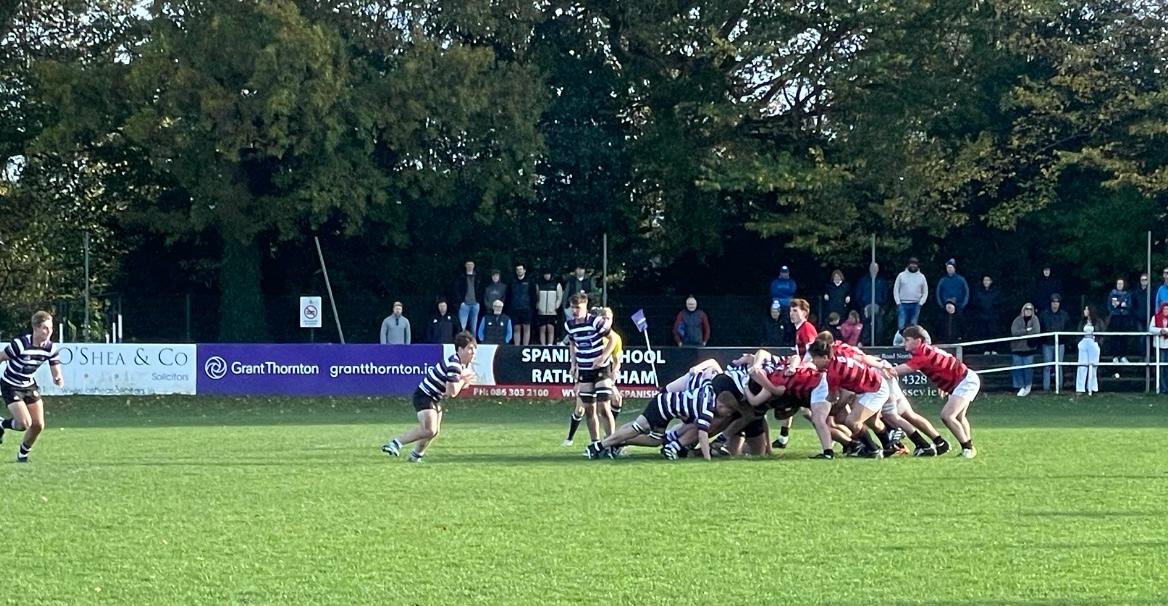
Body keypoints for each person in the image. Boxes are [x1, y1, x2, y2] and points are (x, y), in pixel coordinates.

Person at [885, 325, 981, 458]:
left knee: (947, 416)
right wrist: (944, 385)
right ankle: (968, 447)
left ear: (918, 341)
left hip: (965, 381)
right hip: (962, 380)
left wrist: (880, 370)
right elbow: (944, 365)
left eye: (907, 340)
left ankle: (968, 448)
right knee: (959, 417)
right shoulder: (926, 350)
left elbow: (898, 370)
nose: (903, 343)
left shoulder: (922, 355)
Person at [382, 331, 476, 463]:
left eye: (474, 349)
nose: (473, 352)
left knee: (434, 431)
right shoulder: (454, 364)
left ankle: (415, 456)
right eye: (470, 349)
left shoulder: (460, 364)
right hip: (425, 395)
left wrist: (463, 382)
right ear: (460, 349)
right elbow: (452, 392)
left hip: (435, 397)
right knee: (428, 430)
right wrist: (463, 381)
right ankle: (395, 443)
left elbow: (452, 388)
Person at [0, 311, 64, 463]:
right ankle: (1, 423)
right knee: (23, 424)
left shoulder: (50, 348)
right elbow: (1, 357)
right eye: (45, 328)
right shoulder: (21, 344)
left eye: (51, 328)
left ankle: (22, 454)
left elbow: (55, 365)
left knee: (38, 425)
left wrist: (58, 377)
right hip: (11, 385)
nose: (49, 332)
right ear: (35, 328)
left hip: (29, 385)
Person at [564, 293, 614, 447]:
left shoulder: (596, 322)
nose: (574, 311)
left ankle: (613, 443)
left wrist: (603, 357)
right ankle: (596, 444)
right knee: (589, 409)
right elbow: (572, 344)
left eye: (577, 307)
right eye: (572, 307)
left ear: (585, 307)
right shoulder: (570, 325)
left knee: (604, 407)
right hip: (585, 370)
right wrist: (574, 364)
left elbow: (613, 339)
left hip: (601, 368)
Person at [1038, 294, 1070, 391]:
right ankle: (1046, 388)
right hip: (1047, 343)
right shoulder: (1044, 314)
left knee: (1059, 365)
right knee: (1047, 366)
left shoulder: (1064, 315)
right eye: (1053, 302)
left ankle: (1059, 387)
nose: (1055, 304)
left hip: (1060, 343)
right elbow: (1041, 328)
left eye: (1057, 302)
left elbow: (1067, 328)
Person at [1010, 303, 1040, 397]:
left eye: (1030, 309)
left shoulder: (1035, 320)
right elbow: (1014, 332)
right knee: (1017, 368)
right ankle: (1020, 386)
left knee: (1028, 369)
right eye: (1026, 309)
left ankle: (1027, 386)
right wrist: (1026, 331)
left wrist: (1024, 333)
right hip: (1017, 349)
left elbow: (1036, 331)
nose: (1028, 311)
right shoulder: (1017, 320)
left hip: (1029, 349)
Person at [854, 262, 887, 345]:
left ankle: (878, 345)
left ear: (878, 269)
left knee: (879, 327)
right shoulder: (863, 280)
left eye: (876, 268)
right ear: (869, 269)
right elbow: (858, 293)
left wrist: (882, 305)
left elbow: (885, 294)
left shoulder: (881, 281)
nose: (874, 270)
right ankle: (865, 344)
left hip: (878, 306)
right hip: (865, 306)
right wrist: (862, 305)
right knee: (865, 327)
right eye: (872, 268)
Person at [893, 257, 928, 331]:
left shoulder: (922, 277)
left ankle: (911, 342)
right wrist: (898, 303)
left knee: (913, 327)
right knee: (901, 326)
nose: (913, 265)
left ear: (917, 265)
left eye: (915, 264)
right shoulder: (901, 275)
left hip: (916, 304)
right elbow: (895, 290)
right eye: (911, 264)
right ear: (908, 264)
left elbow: (925, 292)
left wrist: (921, 303)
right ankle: (902, 342)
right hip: (902, 304)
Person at [968, 275, 1000, 353]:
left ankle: (993, 349)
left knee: (993, 333)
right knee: (983, 334)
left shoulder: (996, 291)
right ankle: (985, 349)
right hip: (982, 316)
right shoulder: (978, 291)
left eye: (988, 280)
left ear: (991, 281)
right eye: (984, 280)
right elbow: (975, 303)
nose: (986, 282)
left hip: (992, 316)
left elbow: (998, 303)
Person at [1106, 278, 1133, 363]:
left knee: (1124, 337)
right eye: (1118, 283)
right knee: (1115, 337)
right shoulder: (1112, 293)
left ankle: (1123, 356)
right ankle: (1115, 356)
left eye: (1121, 284)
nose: (1120, 285)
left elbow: (1129, 305)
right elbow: (1110, 306)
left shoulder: (1127, 294)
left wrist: (1120, 305)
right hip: (1115, 317)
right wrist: (1120, 306)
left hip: (1124, 318)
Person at [509, 264, 536, 345]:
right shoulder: (512, 282)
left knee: (526, 329)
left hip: (527, 309)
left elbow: (533, 296)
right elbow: (509, 296)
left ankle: (525, 347)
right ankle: (517, 347)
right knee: (516, 329)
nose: (519, 271)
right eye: (517, 269)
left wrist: (532, 308)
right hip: (515, 309)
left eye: (521, 269)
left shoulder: (530, 282)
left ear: (524, 270)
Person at [452, 260, 483, 332]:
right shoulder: (461, 277)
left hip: (475, 304)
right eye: (468, 265)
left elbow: (481, 290)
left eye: (471, 265)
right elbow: (456, 290)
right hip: (464, 305)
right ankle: (462, 342)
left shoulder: (478, 277)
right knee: (462, 326)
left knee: (474, 327)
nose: (470, 266)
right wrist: (461, 301)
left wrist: (478, 301)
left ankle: (473, 342)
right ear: (465, 266)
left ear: (474, 266)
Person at [1076, 306, 1100, 396]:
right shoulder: (1082, 321)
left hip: (1093, 343)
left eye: (1086, 309)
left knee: (1093, 366)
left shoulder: (1097, 321)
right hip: (1083, 343)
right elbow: (1079, 331)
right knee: (1082, 365)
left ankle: (1092, 388)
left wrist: (1098, 341)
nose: (1085, 311)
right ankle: (1080, 388)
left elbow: (1101, 332)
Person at [536, 270, 563, 345]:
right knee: (542, 328)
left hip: (552, 311)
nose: (546, 276)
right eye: (545, 274)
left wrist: (556, 306)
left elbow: (559, 297)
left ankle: (550, 344)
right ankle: (543, 344)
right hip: (541, 311)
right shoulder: (539, 284)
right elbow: (536, 296)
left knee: (551, 328)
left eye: (548, 274)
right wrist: (538, 306)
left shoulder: (556, 284)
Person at [1150, 303, 1168, 394]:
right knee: (1161, 367)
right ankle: (1163, 387)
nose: (1166, 311)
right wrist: (1160, 331)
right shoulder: (1155, 318)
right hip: (1160, 346)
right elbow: (1151, 329)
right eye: (1165, 309)